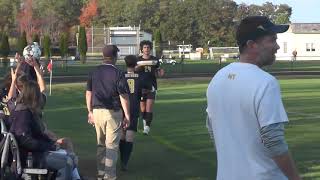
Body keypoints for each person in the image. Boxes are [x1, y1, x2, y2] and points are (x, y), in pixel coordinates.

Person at [206, 16, 301, 180]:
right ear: (251, 45)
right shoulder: (265, 82)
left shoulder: (217, 79)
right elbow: (273, 142)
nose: (277, 46)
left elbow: (211, 128)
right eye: (272, 40)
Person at [7, 73, 77, 180]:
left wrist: (51, 144)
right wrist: (49, 146)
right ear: (33, 96)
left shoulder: (24, 110)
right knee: (66, 161)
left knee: (68, 157)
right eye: (37, 94)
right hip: (31, 157)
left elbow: (36, 136)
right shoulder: (23, 113)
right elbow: (26, 140)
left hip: (34, 153)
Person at [86, 45, 131, 180]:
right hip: (113, 112)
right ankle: (109, 176)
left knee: (101, 144)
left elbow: (89, 93)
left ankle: (100, 173)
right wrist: (127, 116)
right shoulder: (118, 73)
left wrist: (90, 112)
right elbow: (124, 96)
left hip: (97, 112)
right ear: (115, 57)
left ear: (103, 56)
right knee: (111, 146)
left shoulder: (94, 71)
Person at [119, 55, 150, 171]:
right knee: (130, 135)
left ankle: (122, 159)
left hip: (122, 107)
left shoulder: (121, 75)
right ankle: (125, 162)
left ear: (126, 63)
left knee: (122, 134)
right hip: (134, 108)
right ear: (136, 64)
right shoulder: (141, 76)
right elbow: (148, 88)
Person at [136, 40, 164, 135]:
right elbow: (133, 71)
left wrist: (161, 73)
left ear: (150, 49)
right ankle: (145, 124)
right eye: (144, 47)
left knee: (149, 108)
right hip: (140, 88)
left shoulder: (155, 60)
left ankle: (147, 128)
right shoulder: (138, 60)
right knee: (142, 109)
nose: (146, 49)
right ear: (141, 49)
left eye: (148, 47)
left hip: (151, 87)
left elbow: (158, 72)